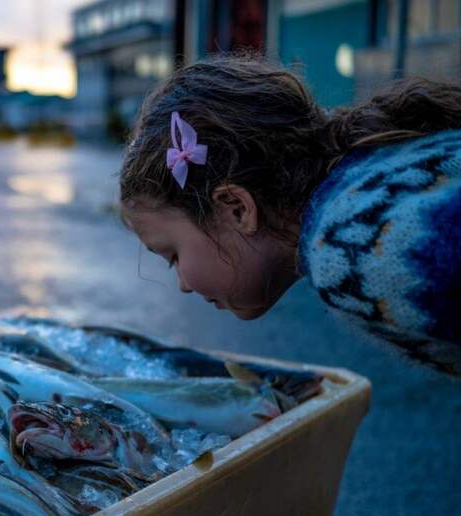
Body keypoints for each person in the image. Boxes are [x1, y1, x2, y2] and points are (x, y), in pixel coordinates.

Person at [119, 52, 461, 376]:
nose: (182, 284)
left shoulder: (353, 245)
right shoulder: (366, 179)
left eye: (173, 255)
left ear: (237, 209)